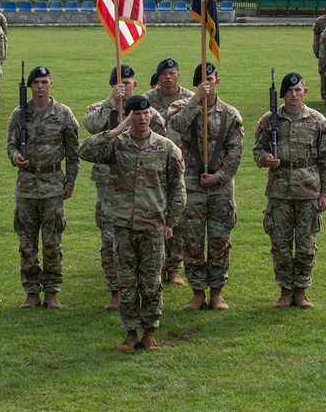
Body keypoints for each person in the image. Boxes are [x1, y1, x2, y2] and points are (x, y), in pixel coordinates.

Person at [79, 94, 186, 352]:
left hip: (152, 226)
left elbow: (177, 189)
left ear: (151, 115)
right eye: (135, 114)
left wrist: (170, 222)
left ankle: (149, 333)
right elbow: (84, 151)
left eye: (145, 113)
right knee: (126, 283)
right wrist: (114, 130)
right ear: (129, 116)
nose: (141, 118)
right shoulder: (117, 145)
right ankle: (130, 333)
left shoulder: (166, 147)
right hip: (124, 226)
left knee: (151, 283)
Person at [83, 64, 165, 310]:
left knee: (144, 239)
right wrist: (110, 101)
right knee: (110, 241)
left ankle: (145, 286)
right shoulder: (101, 108)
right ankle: (115, 291)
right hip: (109, 185)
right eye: (118, 83)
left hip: (142, 186)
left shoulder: (147, 111)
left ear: (135, 84)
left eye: (127, 82)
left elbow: (162, 139)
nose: (123, 86)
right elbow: (91, 128)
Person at [253, 73, 326, 309]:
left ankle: (301, 291)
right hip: (279, 192)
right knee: (280, 245)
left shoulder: (317, 121)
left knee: (306, 245)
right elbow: (257, 150)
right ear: (283, 94)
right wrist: (265, 158)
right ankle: (285, 291)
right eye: (289, 91)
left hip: (308, 191)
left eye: (298, 90)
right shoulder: (270, 120)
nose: (294, 95)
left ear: (305, 92)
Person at [166, 62, 244, 311]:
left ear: (217, 82)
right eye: (201, 80)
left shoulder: (230, 114)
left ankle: (218, 291)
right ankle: (198, 291)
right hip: (193, 183)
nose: (206, 83)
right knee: (193, 240)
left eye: (210, 79)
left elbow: (235, 151)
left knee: (220, 241)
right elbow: (176, 126)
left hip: (220, 186)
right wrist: (196, 99)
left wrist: (219, 177)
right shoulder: (183, 108)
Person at [7, 65, 80, 310]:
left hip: (52, 187)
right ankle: (31, 292)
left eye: (44, 82)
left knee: (52, 243)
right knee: (27, 244)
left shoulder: (64, 114)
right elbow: (11, 145)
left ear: (51, 84)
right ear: (30, 86)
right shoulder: (19, 114)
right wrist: (16, 157)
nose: (40, 86)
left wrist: (69, 183)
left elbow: (73, 153)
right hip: (26, 186)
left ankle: (51, 292)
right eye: (36, 82)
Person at [144, 58, 194, 286]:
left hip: (181, 165)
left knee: (177, 218)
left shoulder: (191, 98)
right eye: (164, 73)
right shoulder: (147, 100)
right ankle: (157, 265)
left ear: (178, 74)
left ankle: (174, 268)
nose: (168, 77)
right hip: (153, 166)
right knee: (154, 217)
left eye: (172, 73)